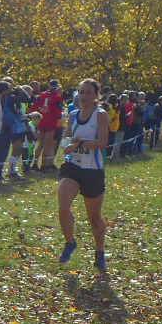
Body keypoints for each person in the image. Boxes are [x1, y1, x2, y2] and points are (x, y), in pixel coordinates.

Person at [58, 77, 111, 274]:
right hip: (72, 167)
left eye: (89, 92)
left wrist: (80, 143)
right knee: (63, 206)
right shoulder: (73, 115)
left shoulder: (100, 115)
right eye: (81, 92)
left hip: (92, 170)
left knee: (94, 218)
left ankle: (99, 252)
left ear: (96, 95)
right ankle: (70, 242)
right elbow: (66, 139)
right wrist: (68, 144)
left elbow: (103, 142)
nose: (84, 96)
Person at [33, 80, 64, 172]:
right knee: (47, 145)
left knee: (40, 144)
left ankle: (35, 163)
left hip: (42, 120)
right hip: (51, 122)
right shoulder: (57, 97)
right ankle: (44, 165)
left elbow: (35, 105)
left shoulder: (42, 94)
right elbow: (58, 111)